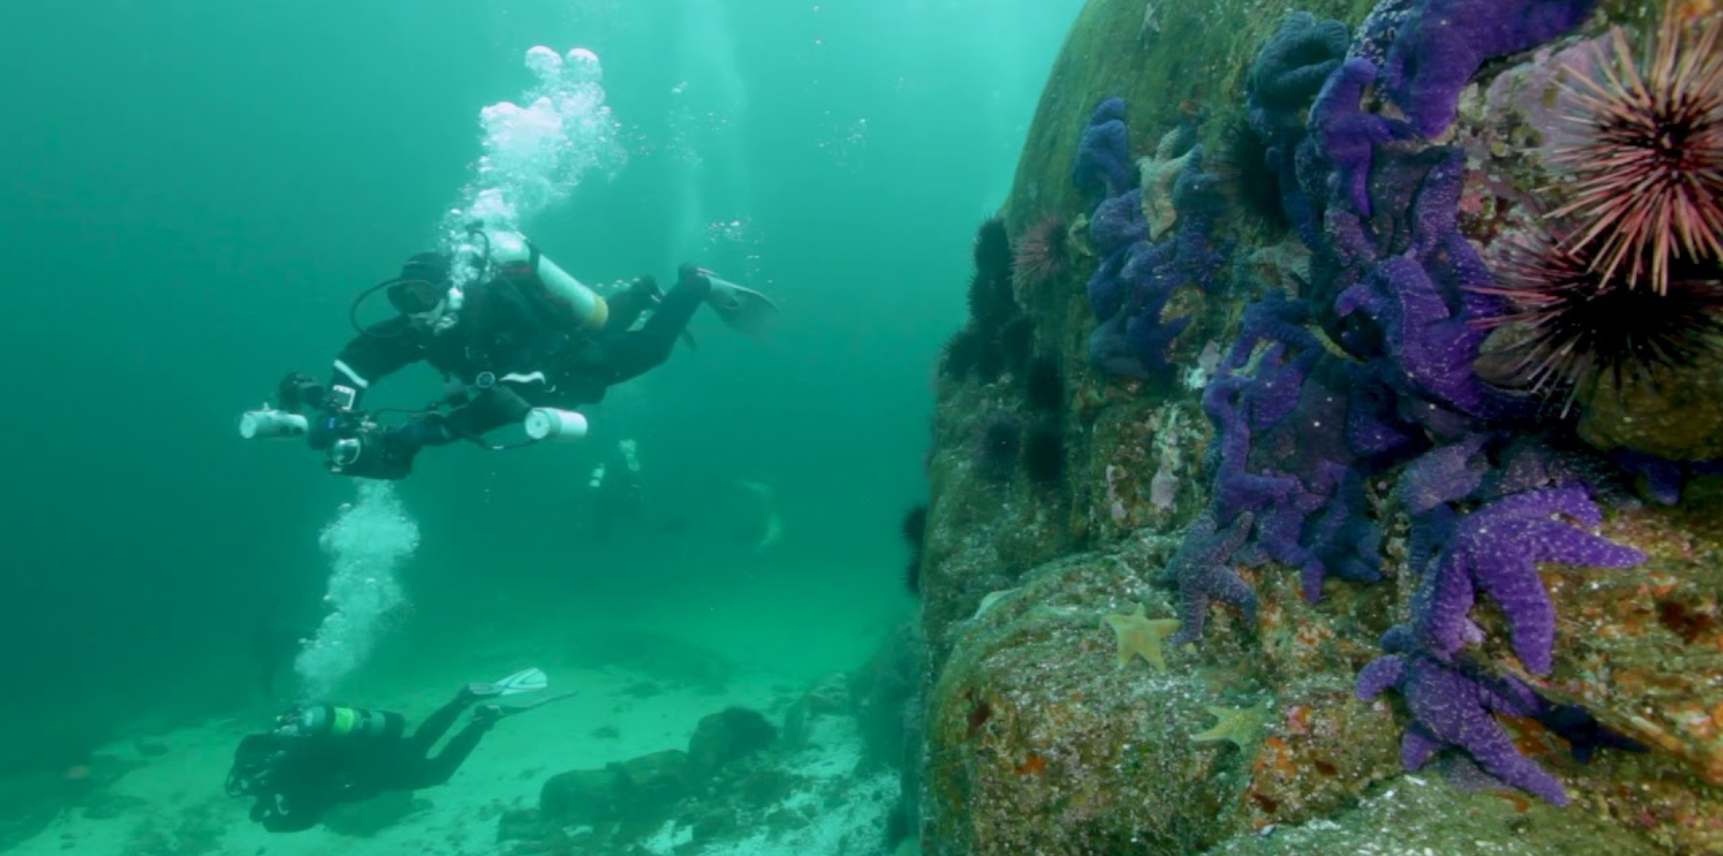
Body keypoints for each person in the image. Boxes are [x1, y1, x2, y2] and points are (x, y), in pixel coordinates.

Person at [274, 229, 776, 479]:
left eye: (423, 297)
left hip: (571, 367)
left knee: (649, 349)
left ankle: (695, 283)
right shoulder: (420, 326)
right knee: (599, 319)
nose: (414, 311)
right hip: (538, 362)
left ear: (451, 289)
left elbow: (523, 388)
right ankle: (640, 292)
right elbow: (360, 360)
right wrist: (340, 407)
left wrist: (431, 430)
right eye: (403, 299)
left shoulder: (499, 307)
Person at [226, 669, 567, 833]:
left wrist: (270, 820)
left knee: (436, 773)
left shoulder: (293, 789)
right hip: (371, 745)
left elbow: (303, 819)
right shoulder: (274, 748)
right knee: (418, 743)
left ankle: (483, 718)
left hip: (372, 773)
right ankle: (462, 699)